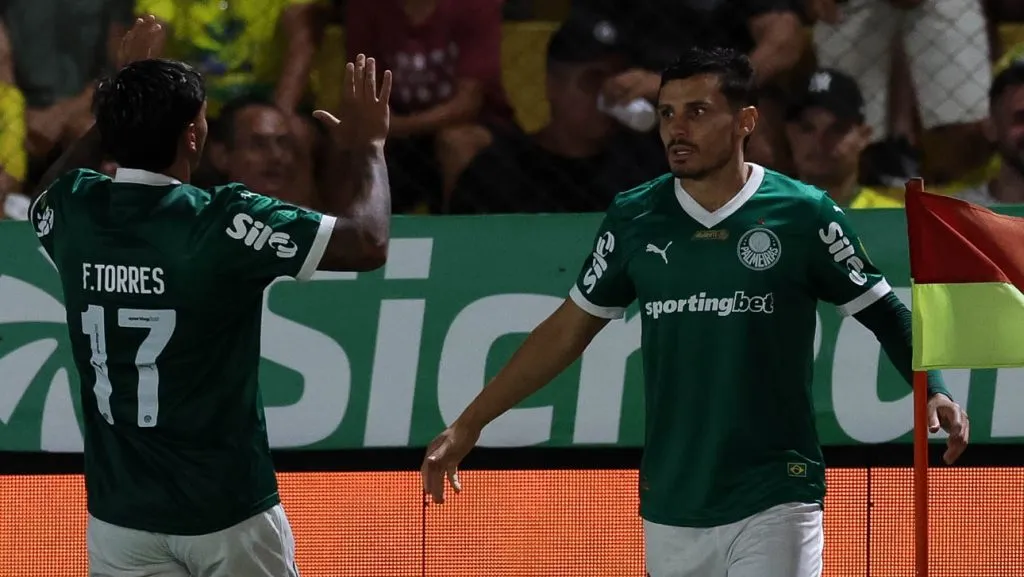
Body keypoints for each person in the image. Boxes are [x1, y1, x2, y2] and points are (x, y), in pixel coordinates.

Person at [420, 46, 969, 577]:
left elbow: (885, 312)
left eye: (697, 112)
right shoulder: (635, 216)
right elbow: (565, 331)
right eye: (666, 113)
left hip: (776, 492)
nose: (676, 130)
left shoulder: (803, 214)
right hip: (672, 501)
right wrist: (470, 423)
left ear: (745, 121)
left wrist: (935, 388)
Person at [28, 16, 392, 577]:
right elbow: (367, 242)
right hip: (227, 512)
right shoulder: (224, 221)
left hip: (120, 517)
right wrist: (368, 147)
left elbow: (46, 194)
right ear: (193, 137)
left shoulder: (77, 210)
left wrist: (119, 99)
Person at [785, 68, 903, 209]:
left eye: (836, 129)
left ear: (863, 136)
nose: (819, 141)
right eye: (807, 128)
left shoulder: (891, 215)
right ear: (789, 134)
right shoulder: (768, 214)